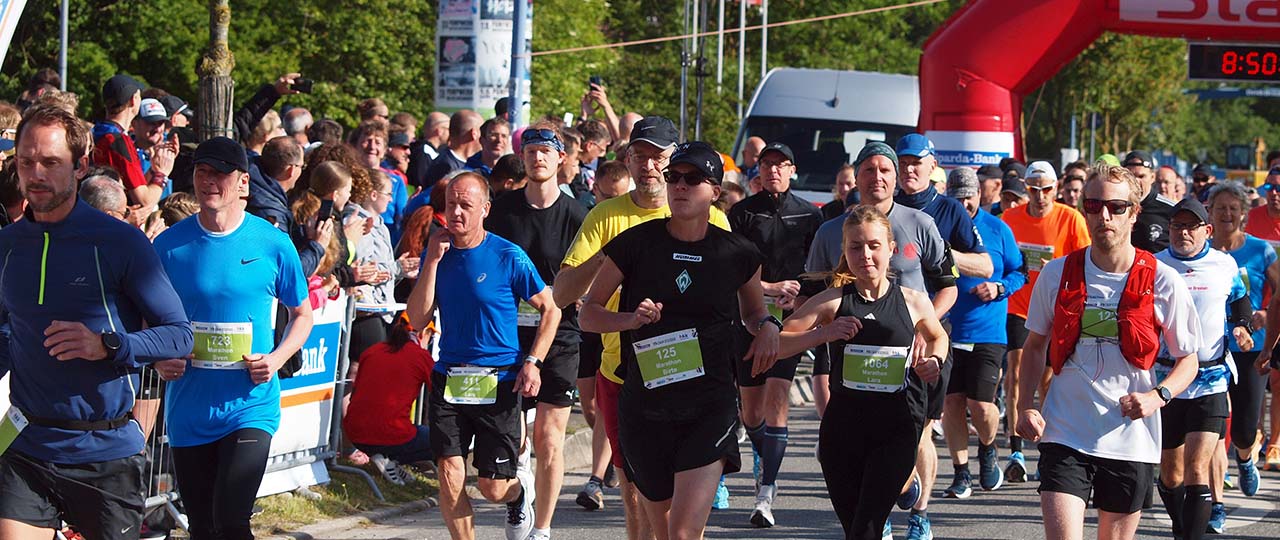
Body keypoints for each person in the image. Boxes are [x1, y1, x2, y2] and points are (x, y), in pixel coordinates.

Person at [0, 104, 194, 540]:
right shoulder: (7, 245)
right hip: (26, 444)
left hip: (104, 451)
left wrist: (107, 345)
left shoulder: (119, 241)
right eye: (26, 162)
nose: (36, 174)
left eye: (51, 162)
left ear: (80, 166)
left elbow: (179, 335)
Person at [579, 140, 777, 540]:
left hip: (709, 406)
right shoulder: (635, 244)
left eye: (693, 178)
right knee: (665, 532)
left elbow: (755, 313)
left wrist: (770, 326)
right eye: (674, 177)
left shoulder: (738, 252)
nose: (680, 185)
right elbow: (588, 314)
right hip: (645, 408)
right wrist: (630, 319)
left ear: (715, 191)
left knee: (684, 533)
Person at [555, 116, 730, 540]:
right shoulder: (606, 216)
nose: (649, 166)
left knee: (685, 512)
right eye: (639, 156)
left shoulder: (710, 216)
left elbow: (738, 294)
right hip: (624, 375)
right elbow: (563, 294)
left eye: (658, 158)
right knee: (636, 498)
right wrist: (608, 256)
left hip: (696, 380)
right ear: (628, 160)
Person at [1015, 162, 1203, 540]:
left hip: (1130, 437)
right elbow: (1034, 346)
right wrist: (1024, 407)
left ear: (1134, 213)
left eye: (1116, 207)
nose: (1104, 216)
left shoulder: (1163, 279)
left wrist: (1157, 396)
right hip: (1066, 430)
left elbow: (1189, 360)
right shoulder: (1056, 273)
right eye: (1094, 205)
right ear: (1084, 209)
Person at [151, 137, 313, 540]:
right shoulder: (169, 246)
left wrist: (276, 359)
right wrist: (159, 357)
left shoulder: (273, 243)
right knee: (202, 528)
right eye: (202, 172)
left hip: (250, 406)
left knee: (232, 522)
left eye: (220, 174)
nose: (209, 181)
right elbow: (146, 318)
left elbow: (302, 315)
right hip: (190, 407)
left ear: (243, 183)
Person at [805, 141, 956, 537]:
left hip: (911, 352)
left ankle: (916, 508)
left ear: (896, 177)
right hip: (849, 345)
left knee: (916, 437)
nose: (877, 177)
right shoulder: (830, 230)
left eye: (885, 170)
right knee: (856, 456)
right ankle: (886, 497)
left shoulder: (921, 223)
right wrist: (814, 329)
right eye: (868, 170)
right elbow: (811, 296)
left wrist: (920, 328)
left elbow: (947, 286)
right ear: (855, 177)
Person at [406, 172, 561, 540]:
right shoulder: (437, 253)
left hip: (499, 379)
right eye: (451, 205)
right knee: (449, 474)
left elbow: (550, 309)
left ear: (485, 210)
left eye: (466, 205)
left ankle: (518, 494)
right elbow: (417, 318)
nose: (456, 213)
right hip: (450, 377)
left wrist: (533, 362)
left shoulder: (507, 256)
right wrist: (431, 262)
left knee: (492, 487)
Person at [779, 205, 948, 540]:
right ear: (845, 251)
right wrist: (823, 334)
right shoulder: (831, 301)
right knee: (855, 528)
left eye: (874, 245)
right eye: (855, 247)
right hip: (843, 431)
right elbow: (779, 343)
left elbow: (938, 336)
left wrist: (935, 360)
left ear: (891, 249)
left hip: (895, 429)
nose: (865, 255)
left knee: (867, 529)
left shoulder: (913, 301)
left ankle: (906, 481)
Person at [485, 125, 589, 540]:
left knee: (549, 438)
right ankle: (519, 492)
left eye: (546, 151)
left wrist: (581, 294)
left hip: (560, 334)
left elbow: (593, 270)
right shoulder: (503, 210)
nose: (538, 158)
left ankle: (542, 529)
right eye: (530, 151)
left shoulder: (577, 214)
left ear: (561, 158)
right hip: (507, 335)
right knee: (513, 438)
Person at [893, 133, 991, 539]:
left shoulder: (949, 209)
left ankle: (920, 515)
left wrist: (942, 253)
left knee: (920, 429)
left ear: (933, 166)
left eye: (917, 162)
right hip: (884, 333)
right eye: (903, 162)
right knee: (884, 428)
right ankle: (890, 500)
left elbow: (985, 265)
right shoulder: (884, 206)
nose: (909, 170)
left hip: (932, 333)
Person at [727, 141, 824, 528]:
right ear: (758, 169)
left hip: (792, 318)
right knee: (751, 412)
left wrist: (801, 297)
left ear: (793, 170)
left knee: (778, 399)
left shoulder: (809, 214)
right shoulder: (742, 213)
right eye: (767, 164)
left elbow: (820, 271)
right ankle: (763, 450)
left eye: (782, 165)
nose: (773, 171)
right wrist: (768, 288)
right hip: (749, 315)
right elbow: (732, 267)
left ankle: (765, 494)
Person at [1152, 197, 1250, 540]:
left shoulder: (1225, 264)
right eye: (1177, 226)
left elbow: (1241, 301)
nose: (1183, 233)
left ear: (1206, 230)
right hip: (1166, 380)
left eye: (1191, 227)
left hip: (1211, 378)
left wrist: (1242, 327)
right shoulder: (1154, 265)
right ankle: (1183, 527)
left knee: (1197, 467)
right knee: (1171, 474)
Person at [999, 160, 1091, 482]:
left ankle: (1047, 446)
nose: (1040, 196)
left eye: (1047, 190)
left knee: (1048, 381)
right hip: (1019, 306)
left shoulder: (1071, 218)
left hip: (1056, 309)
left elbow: (1085, 263)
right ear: (1026, 189)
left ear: (1056, 188)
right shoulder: (1009, 218)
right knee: (1015, 373)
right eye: (1034, 190)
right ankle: (1015, 449)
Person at [941, 167, 1026, 499]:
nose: (964, 204)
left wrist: (999, 288)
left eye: (969, 197)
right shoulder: (939, 226)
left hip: (988, 332)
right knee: (952, 402)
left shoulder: (997, 228)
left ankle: (988, 447)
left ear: (980, 194)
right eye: (957, 198)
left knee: (981, 405)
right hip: (947, 330)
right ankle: (960, 472)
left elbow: (1020, 271)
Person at [1208, 182, 1274, 500]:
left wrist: (1265, 313)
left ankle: (1246, 459)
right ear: (1209, 212)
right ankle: (1214, 500)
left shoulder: (1261, 250)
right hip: (1210, 350)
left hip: (1251, 348)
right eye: (1220, 208)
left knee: (1245, 430)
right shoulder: (1199, 251)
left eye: (1233, 208)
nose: (1227, 214)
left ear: (1244, 214)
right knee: (1212, 426)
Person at [344, 315, 435, 485]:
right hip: (390, 434)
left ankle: (388, 459)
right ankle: (391, 458)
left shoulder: (372, 350)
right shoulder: (420, 356)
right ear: (423, 333)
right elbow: (440, 393)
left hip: (355, 433)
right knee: (447, 439)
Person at [92, 74, 176, 208]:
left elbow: (133, 187)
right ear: (133, 100)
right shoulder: (118, 140)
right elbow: (144, 201)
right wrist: (161, 174)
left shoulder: (96, 132)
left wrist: (154, 168)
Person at [1245, 167, 1280, 471]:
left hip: (1278, 308)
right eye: (1269, 188)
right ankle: (1255, 433)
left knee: (1278, 381)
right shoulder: (1253, 218)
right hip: (1255, 311)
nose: (1274, 193)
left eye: (1279, 188)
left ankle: (1276, 443)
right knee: (1256, 376)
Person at [1123, 150, 1176, 254]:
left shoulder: (1170, 209)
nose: (1136, 181)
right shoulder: (1114, 207)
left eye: (1141, 176)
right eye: (1130, 176)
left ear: (1152, 177)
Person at [422, 110, 482, 190]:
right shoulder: (444, 167)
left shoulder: (473, 162)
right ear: (474, 133)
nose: (484, 137)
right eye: (482, 131)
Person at [408, 111, 451, 187]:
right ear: (439, 131)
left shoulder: (435, 151)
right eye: (448, 129)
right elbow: (421, 182)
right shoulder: (424, 152)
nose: (450, 133)